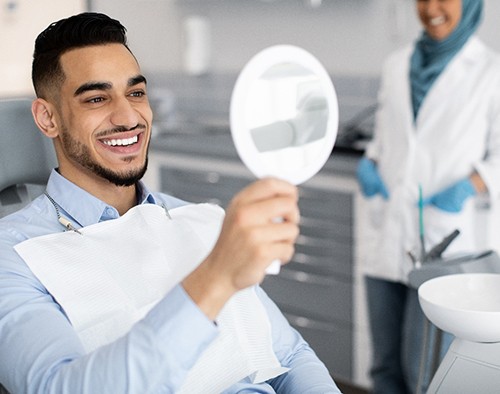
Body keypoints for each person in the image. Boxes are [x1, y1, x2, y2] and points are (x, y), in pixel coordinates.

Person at [0, 12, 341, 393]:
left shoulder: (201, 220)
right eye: (97, 98)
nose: (128, 116)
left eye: (136, 93)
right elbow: (58, 387)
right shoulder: (12, 256)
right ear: (48, 118)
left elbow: (290, 356)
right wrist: (214, 277)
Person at [357, 0, 500, 393]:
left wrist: (472, 183)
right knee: (383, 368)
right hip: (388, 231)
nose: (431, 7)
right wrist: (370, 162)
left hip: (446, 241)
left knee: (426, 374)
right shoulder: (396, 64)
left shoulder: (491, 72)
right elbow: (387, 138)